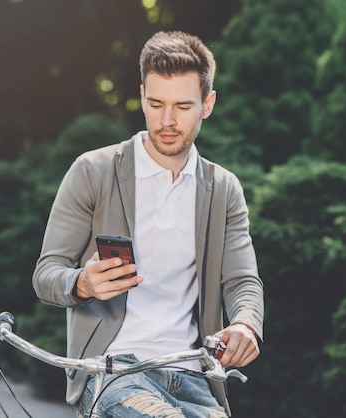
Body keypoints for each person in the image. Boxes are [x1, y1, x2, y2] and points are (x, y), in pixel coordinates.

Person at [32, 30, 264, 418]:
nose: (167, 120)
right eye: (156, 104)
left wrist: (245, 324)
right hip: (113, 371)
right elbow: (46, 275)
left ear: (208, 104)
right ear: (141, 96)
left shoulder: (223, 190)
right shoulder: (93, 172)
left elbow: (243, 281)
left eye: (183, 106)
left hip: (192, 372)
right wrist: (82, 284)